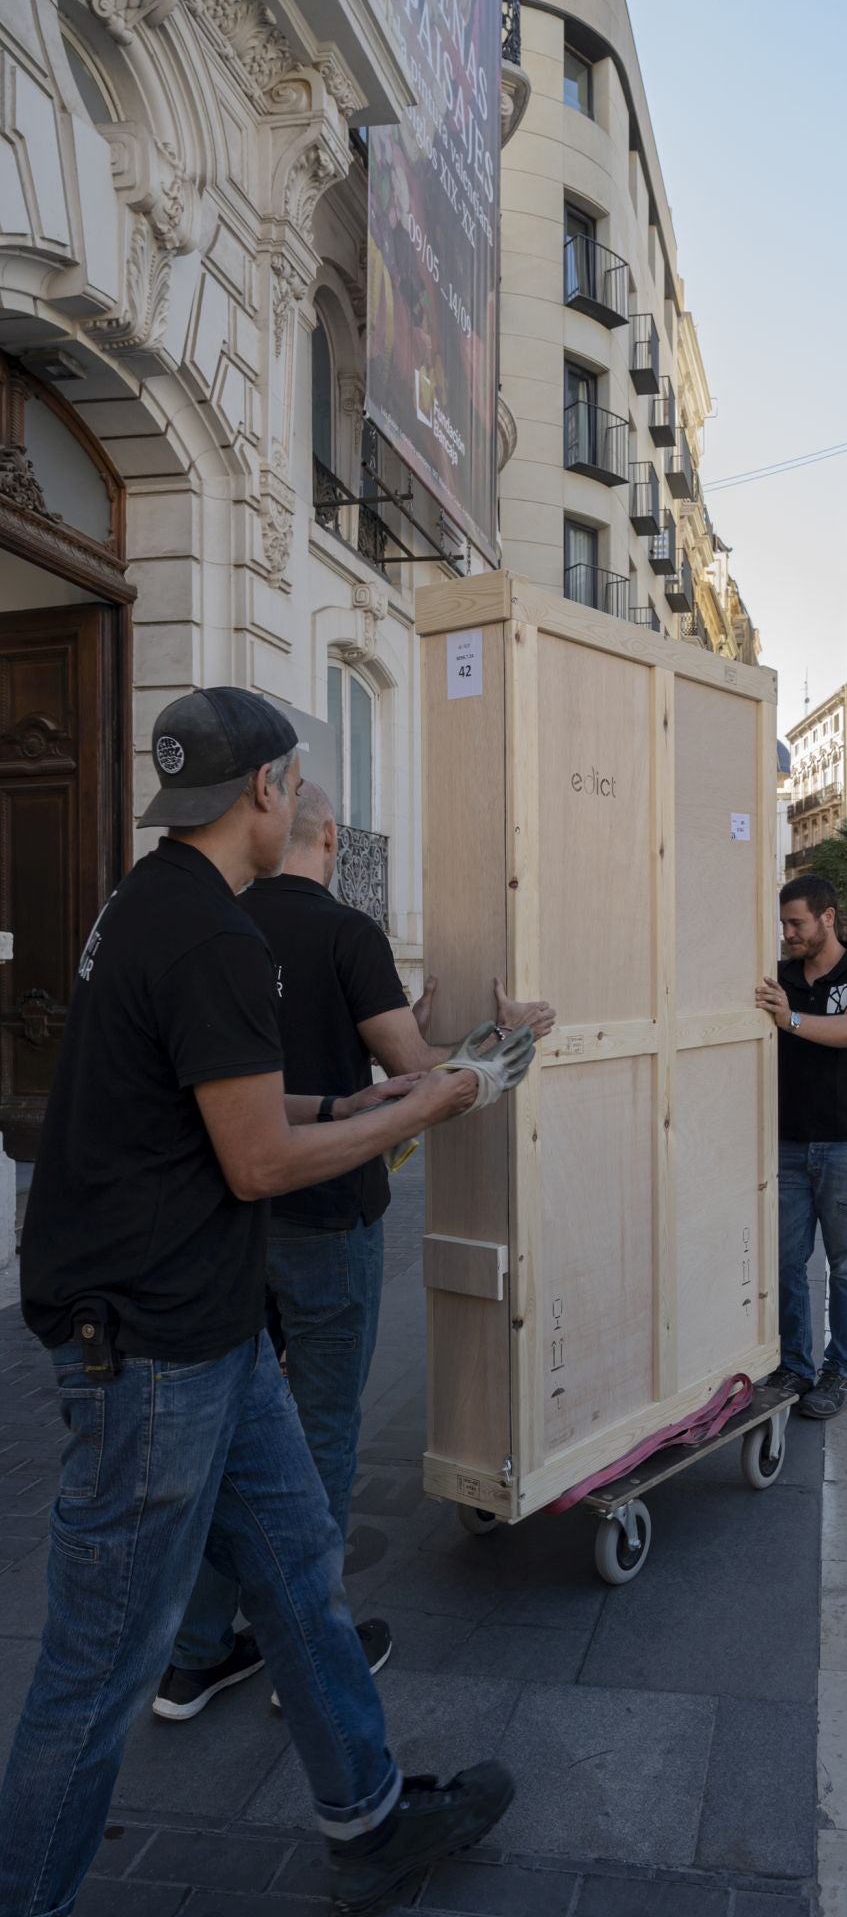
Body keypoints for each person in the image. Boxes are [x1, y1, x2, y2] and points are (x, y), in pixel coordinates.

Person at [0, 689, 529, 1917]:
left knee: (298, 1572)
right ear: (268, 791)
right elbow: (257, 1165)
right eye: (291, 779)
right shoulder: (215, 937)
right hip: (152, 1353)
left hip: (209, 1333)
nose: (293, 796)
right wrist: (433, 1106)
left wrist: (352, 1104)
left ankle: (372, 1819)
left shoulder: (149, 902)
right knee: (95, 1670)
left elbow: (232, 1105)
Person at [156, 780, 554, 1721]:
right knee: (321, 1431)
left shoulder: (218, 924)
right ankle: (311, 1647)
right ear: (332, 836)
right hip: (327, 1213)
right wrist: (507, 1037)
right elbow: (423, 1079)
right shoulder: (346, 934)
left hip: (231, 1222)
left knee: (234, 1436)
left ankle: (199, 1651)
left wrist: (394, 1022)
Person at [755, 874, 847, 1420]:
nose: (788, 933)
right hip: (788, 1145)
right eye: (784, 924)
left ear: (828, 917)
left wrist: (788, 1017)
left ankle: (843, 1373)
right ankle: (794, 1366)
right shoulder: (781, 977)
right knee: (786, 1262)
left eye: (797, 923)